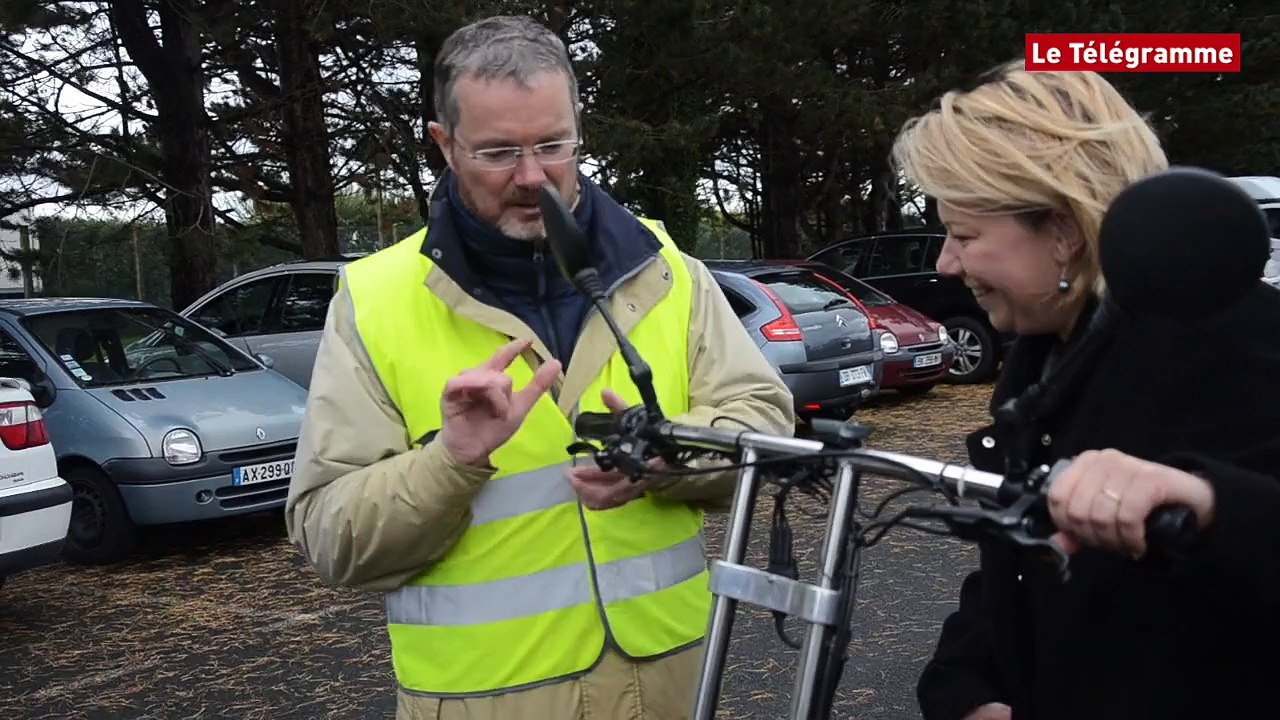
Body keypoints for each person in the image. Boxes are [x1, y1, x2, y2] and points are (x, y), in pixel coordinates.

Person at [283, 14, 796, 720]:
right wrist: (450, 461)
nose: (532, 177)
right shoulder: (373, 300)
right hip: (479, 701)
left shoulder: (664, 268)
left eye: (553, 146)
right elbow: (329, 538)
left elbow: (762, 427)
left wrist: (663, 455)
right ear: (443, 144)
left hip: (670, 693)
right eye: (497, 153)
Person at [891, 59, 1280, 720]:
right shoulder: (1046, 363)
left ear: (1065, 234)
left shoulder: (1238, 347)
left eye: (965, 236)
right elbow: (1015, 566)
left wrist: (1210, 503)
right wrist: (966, 688)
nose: (945, 264)